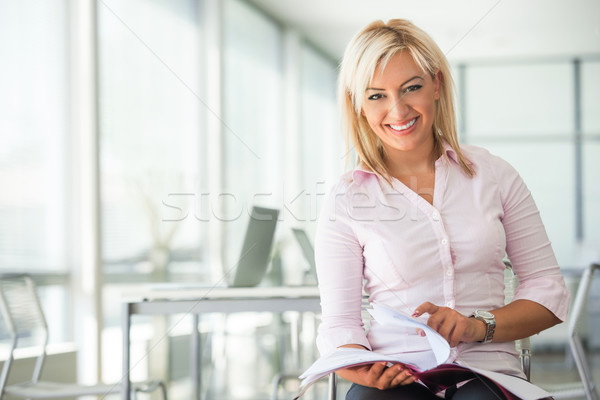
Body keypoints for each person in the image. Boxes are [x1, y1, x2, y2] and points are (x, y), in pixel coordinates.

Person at [314, 19, 570, 400]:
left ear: (436, 84)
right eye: (376, 95)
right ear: (357, 104)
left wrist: (474, 326)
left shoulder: (494, 175)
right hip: (396, 373)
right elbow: (340, 323)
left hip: (487, 373)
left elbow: (548, 293)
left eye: (411, 88)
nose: (397, 110)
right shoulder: (346, 198)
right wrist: (359, 364)